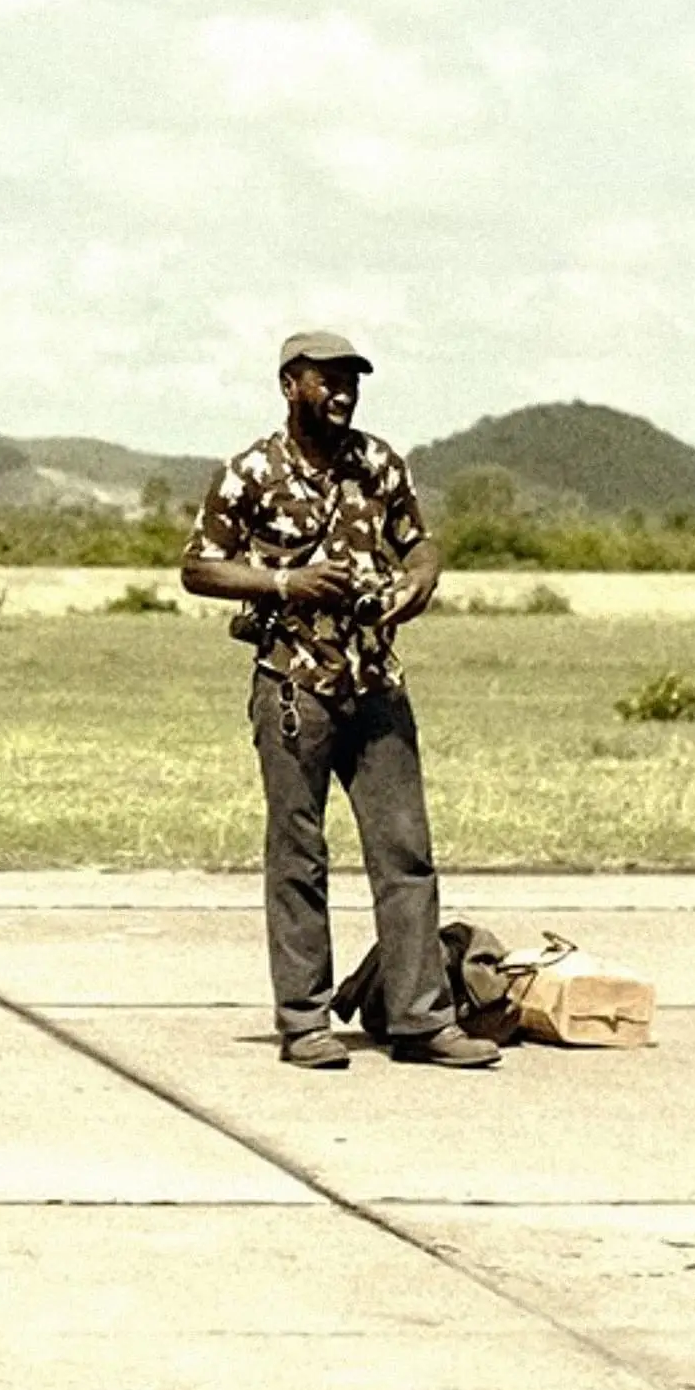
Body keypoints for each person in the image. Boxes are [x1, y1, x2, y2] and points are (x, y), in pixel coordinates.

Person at [178, 332, 499, 1071]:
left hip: (376, 682)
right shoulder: (250, 473)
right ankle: (305, 1022)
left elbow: (418, 543)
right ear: (291, 385)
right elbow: (199, 567)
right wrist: (287, 584)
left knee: (406, 854)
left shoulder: (379, 461)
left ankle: (422, 1020)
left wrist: (422, 581)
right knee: (299, 854)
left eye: (353, 380)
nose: (345, 392)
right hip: (296, 685)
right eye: (329, 380)